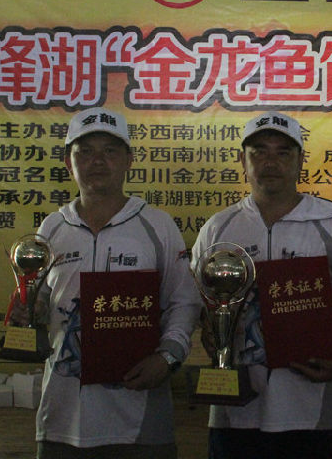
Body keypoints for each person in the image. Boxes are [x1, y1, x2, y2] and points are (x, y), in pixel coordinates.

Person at [10, 107, 202, 459]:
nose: (97, 161)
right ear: (68, 163)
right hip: (63, 418)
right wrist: (30, 309)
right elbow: (43, 301)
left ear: (129, 160)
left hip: (139, 417)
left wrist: (167, 356)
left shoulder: (157, 225)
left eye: (109, 151)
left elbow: (184, 302)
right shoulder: (52, 227)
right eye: (85, 151)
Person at [191, 110, 332, 459]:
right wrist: (211, 328)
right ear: (242, 160)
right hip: (235, 408)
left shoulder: (329, 224)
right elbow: (196, 299)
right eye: (259, 151)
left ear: (301, 161)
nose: (270, 162)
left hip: (311, 409)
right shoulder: (218, 228)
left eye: (283, 152)